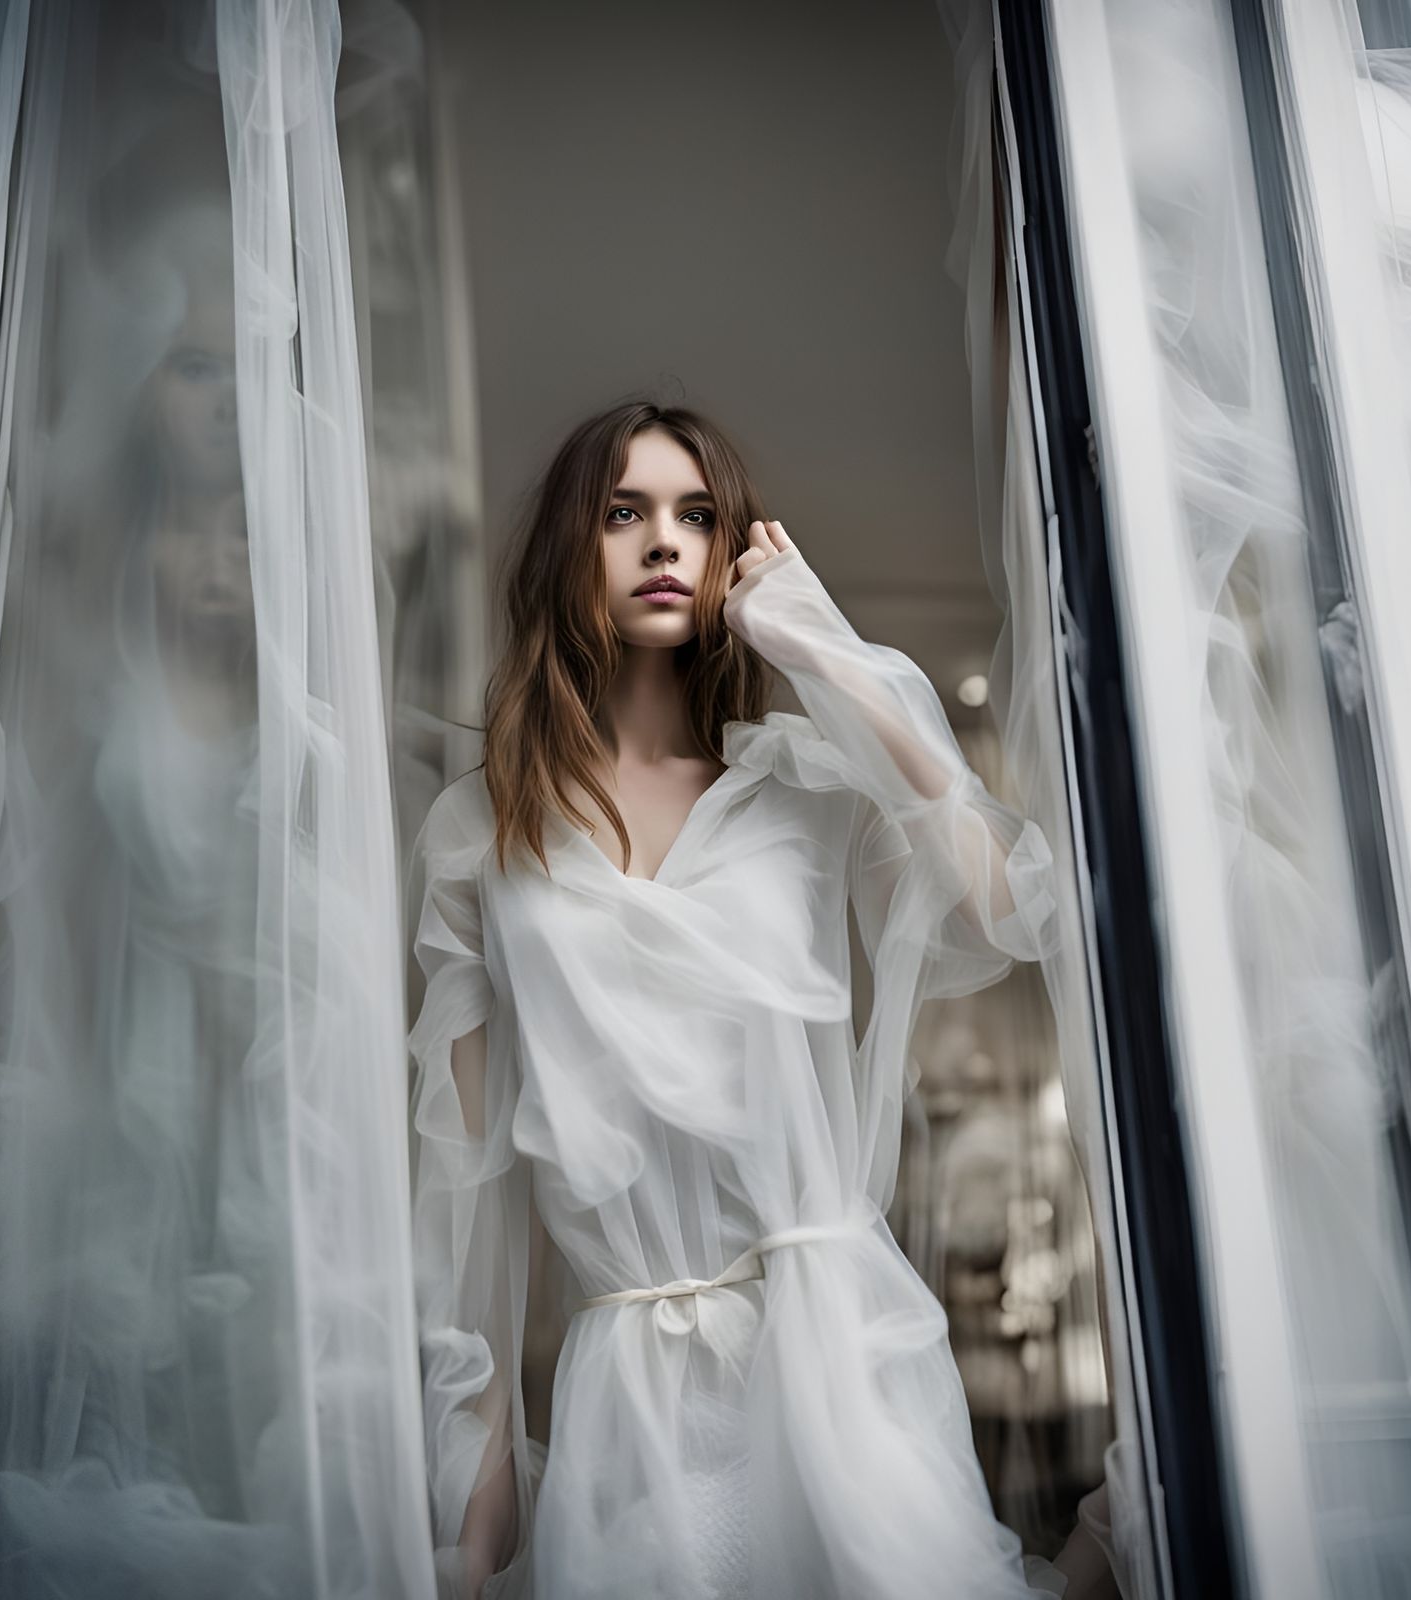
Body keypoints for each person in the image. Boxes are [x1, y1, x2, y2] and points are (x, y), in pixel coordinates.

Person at [407, 400, 1066, 1600]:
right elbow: (475, 1196)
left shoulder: (802, 789)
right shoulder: (479, 837)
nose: (664, 541)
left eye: (695, 516)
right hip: (628, 1403)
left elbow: (1001, 908)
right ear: (571, 546)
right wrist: (479, 1499)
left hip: (829, 1361)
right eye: (624, 513)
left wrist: (825, 655)